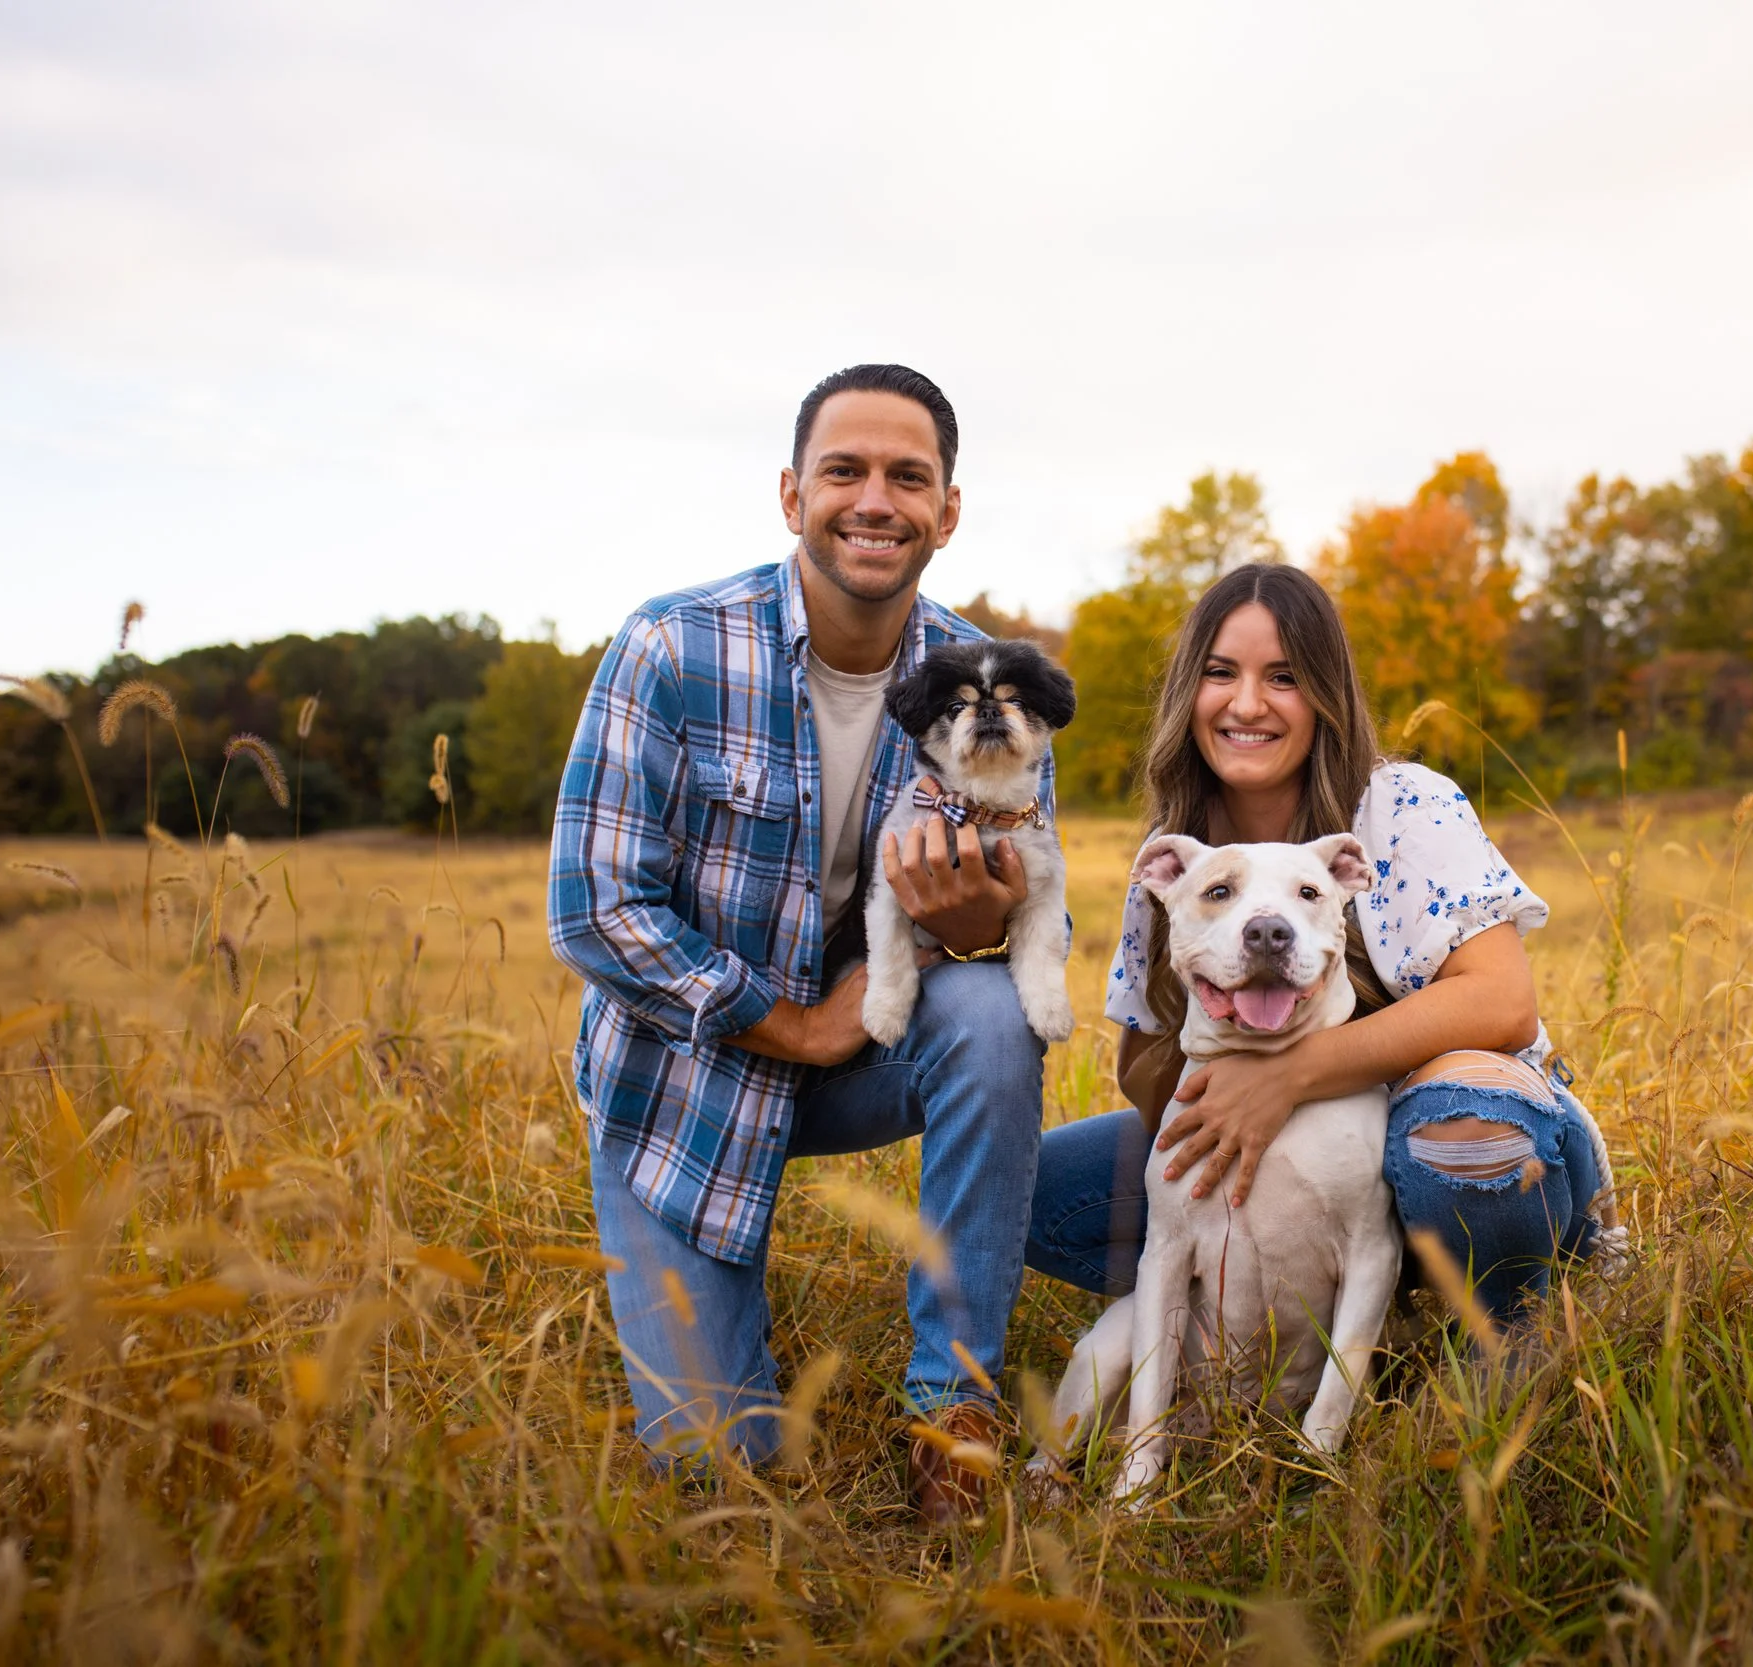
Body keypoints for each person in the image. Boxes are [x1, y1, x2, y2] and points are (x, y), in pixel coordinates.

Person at [548, 364, 1050, 1523]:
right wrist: (795, 1023)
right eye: (845, 470)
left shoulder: (989, 685)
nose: (874, 499)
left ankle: (953, 1414)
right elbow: (592, 904)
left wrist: (968, 915)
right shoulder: (672, 646)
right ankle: (724, 1341)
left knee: (989, 1014)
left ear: (948, 510)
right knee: (721, 1478)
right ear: (791, 494)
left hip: (866, 1047)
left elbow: (1011, 915)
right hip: (684, 1080)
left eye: (907, 476)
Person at [1025, 561, 1621, 1330]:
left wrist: (1292, 1074)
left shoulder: (1404, 804)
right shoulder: (1183, 851)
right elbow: (1140, 1063)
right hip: (1299, 1164)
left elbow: (1502, 1000)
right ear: (1188, 693)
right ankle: (1295, 1318)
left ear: (1325, 694)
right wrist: (1234, 1041)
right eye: (1219, 673)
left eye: (1283, 676)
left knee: (1460, 1127)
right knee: (1041, 1194)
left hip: (1479, 1137)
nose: (1247, 703)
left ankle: (1506, 1325)